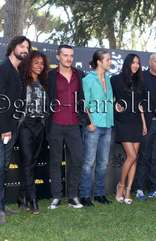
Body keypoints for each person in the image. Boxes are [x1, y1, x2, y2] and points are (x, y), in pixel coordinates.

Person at [0, 35, 31, 224]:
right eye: (21, 46)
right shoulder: (2, 69)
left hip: (11, 128)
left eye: (27, 47)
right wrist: (5, 129)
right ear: (12, 48)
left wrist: (14, 126)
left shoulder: (18, 71)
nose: (25, 50)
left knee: (2, 168)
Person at [46, 45, 87, 209]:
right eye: (65, 55)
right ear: (58, 57)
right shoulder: (49, 75)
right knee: (55, 162)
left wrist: (83, 118)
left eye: (71, 55)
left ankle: (72, 197)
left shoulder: (79, 74)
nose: (68, 58)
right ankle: (56, 196)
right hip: (55, 123)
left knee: (78, 160)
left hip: (73, 125)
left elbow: (82, 97)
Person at [79, 50, 114, 207]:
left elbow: (109, 100)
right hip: (93, 126)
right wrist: (90, 124)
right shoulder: (88, 80)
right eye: (107, 59)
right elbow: (83, 103)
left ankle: (100, 194)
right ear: (99, 62)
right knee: (88, 162)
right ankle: (85, 196)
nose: (110, 61)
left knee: (103, 162)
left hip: (107, 126)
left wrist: (116, 107)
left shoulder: (108, 78)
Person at [111, 54, 147, 204]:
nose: (136, 65)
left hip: (137, 122)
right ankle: (121, 186)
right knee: (131, 156)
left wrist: (144, 123)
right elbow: (110, 99)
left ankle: (128, 191)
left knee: (135, 157)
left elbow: (140, 105)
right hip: (123, 121)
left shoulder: (140, 81)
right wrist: (115, 106)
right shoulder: (115, 80)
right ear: (127, 63)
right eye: (133, 62)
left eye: (138, 63)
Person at [17, 51, 50, 214]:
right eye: (36, 62)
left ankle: (22, 195)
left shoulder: (44, 83)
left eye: (42, 63)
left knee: (33, 162)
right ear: (29, 63)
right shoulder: (22, 80)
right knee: (28, 161)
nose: (39, 66)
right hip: (25, 125)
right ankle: (33, 200)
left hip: (40, 125)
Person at [135, 53, 156, 200]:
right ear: (150, 62)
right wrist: (143, 123)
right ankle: (139, 188)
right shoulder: (141, 77)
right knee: (144, 157)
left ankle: (154, 188)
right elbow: (138, 101)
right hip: (147, 123)